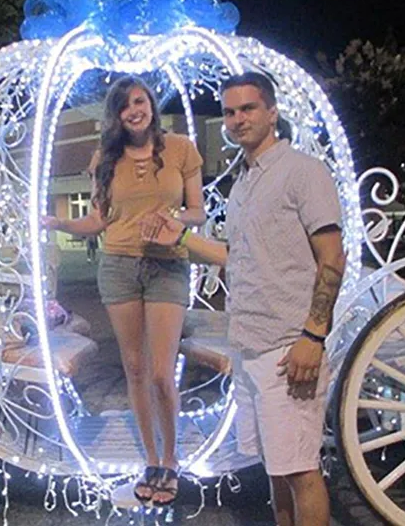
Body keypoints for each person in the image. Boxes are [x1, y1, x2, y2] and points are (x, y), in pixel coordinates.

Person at [141, 72, 345, 526]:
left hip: (288, 346)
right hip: (249, 346)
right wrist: (180, 237)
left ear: (272, 112)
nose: (237, 119)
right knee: (276, 470)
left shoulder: (303, 172)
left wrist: (313, 335)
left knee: (301, 471)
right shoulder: (243, 186)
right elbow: (237, 256)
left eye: (248, 108)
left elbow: (332, 258)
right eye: (230, 112)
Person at [42, 76, 205, 506]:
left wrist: (173, 220)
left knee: (160, 372)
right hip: (117, 267)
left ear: (151, 104)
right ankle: (151, 459)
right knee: (133, 367)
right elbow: (99, 220)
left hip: (167, 265)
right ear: (115, 116)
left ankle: (171, 459)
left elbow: (197, 212)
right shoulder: (105, 158)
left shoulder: (182, 149)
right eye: (124, 106)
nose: (134, 110)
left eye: (140, 101)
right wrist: (59, 224)